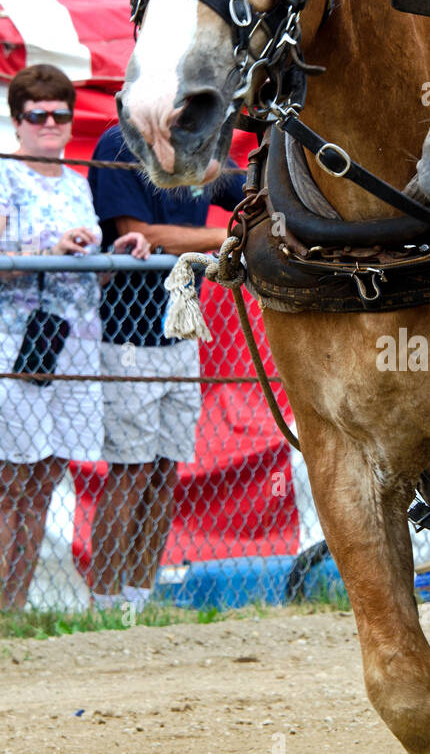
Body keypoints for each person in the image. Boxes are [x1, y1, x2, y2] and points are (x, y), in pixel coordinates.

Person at [0, 66, 147, 609]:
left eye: (60, 113)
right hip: (18, 344)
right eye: (37, 114)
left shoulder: (76, 181)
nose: (50, 123)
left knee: (43, 483)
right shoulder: (5, 175)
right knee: (11, 484)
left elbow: (91, 271)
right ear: (17, 122)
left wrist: (118, 252)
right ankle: (2, 610)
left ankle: (13, 607)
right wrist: (51, 249)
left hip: (75, 344)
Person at [87, 125, 246, 610]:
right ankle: (105, 601)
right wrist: (224, 236)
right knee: (130, 471)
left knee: (163, 471)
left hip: (179, 330)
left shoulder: (202, 142)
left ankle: (138, 599)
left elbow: (253, 193)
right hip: (126, 334)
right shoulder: (119, 143)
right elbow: (141, 235)